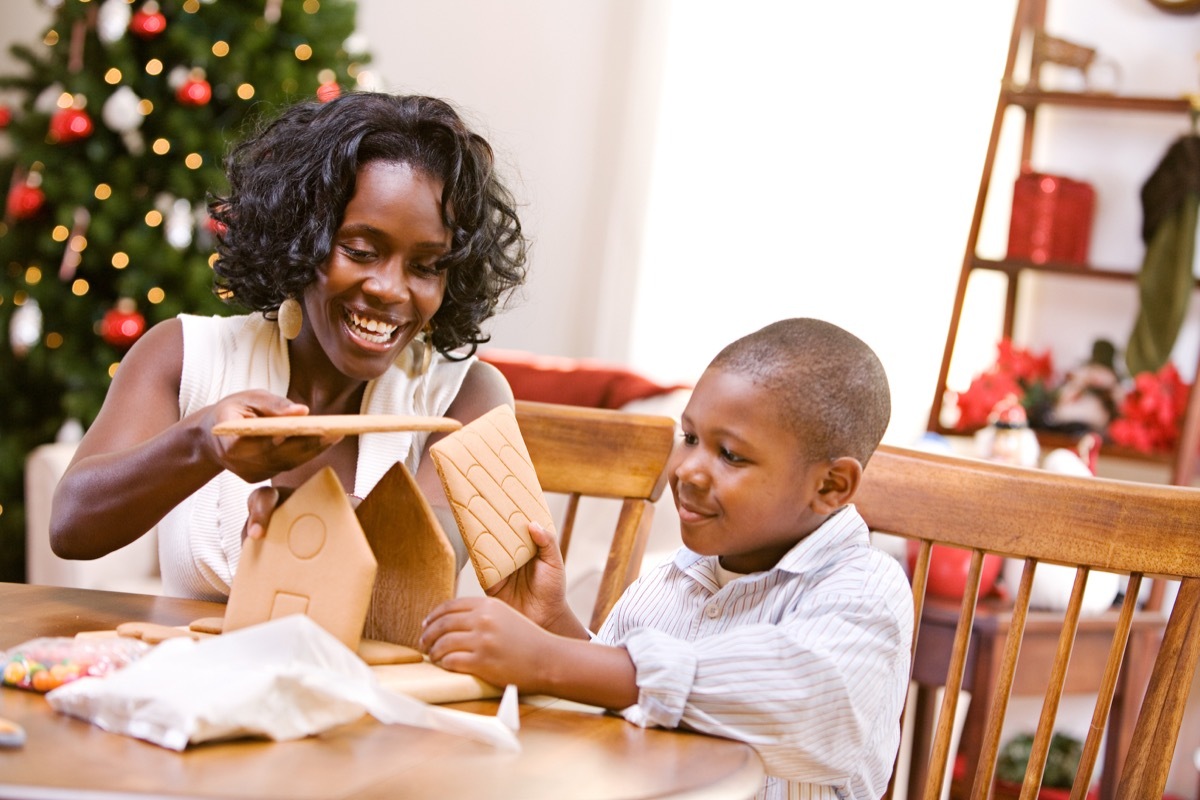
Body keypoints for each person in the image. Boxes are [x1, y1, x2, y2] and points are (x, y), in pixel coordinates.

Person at [49, 92, 528, 601]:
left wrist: (312, 534)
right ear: (300, 237)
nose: (390, 288)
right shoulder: (185, 355)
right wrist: (203, 443)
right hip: (188, 675)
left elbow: (419, 576)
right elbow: (72, 527)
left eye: (427, 266)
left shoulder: (465, 398)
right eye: (360, 251)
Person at [420, 318, 915, 800]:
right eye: (691, 438)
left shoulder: (867, 588)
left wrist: (548, 658)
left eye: (731, 455)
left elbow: (797, 699)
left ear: (830, 486)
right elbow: (614, 697)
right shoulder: (671, 581)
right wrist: (552, 622)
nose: (688, 470)